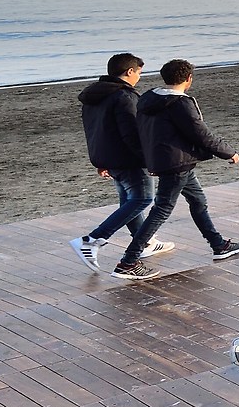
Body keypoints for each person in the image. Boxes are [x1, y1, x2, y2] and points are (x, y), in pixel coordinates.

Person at [113, 60, 239, 282]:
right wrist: (229, 152)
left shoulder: (148, 97)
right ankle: (128, 261)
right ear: (188, 79)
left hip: (172, 161)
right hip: (176, 163)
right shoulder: (179, 103)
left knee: (198, 201)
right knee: (162, 209)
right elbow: (200, 133)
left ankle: (218, 244)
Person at [72, 52, 170, 271]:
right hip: (128, 160)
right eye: (139, 73)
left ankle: (144, 242)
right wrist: (150, 160)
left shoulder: (94, 97)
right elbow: (133, 134)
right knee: (142, 199)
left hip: (109, 158)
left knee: (129, 201)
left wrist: (101, 161)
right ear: (129, 71)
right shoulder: (124, 96)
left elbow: (94, 131)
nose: (139, 78)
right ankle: (93, 239)